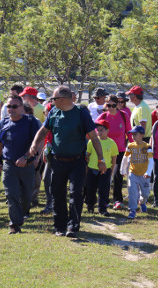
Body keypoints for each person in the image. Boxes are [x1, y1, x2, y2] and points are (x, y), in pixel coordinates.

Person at [29, 85, 106, 238]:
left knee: (75, 193)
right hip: (58, 161)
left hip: (77, 161)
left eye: (54, 99)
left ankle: (73, 227)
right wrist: (34, 144)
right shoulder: (53, 112)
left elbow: (94, 137)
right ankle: (59, 226)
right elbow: (43, 131)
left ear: (62, 99)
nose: (52, 101)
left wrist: (101, 158)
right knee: (57, 193)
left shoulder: (81, 114)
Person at [0, 96, 40, 234]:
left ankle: (23, 212)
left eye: (14, 106)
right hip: (9, 165)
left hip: (27, 166)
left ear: (21, 108)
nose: (11, 109)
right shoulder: (3, 123)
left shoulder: (31, 122)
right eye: (8, 106)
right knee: (11, 194)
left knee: (26, 197)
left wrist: (26, 157)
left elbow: (36, 143)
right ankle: (15, 224)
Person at [97, 95, 133, 207]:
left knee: (118, 174)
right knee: (106, 174)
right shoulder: (103, 116)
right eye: (108, 105)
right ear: (106, 105)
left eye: (113, 105)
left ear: (118, 105)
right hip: (106, 150)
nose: (111, 107)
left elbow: (129, 132)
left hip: (120, 150)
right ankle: (104, 199)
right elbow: (94, 130)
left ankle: (118, 200)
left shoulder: (123, 115)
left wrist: (132, 146)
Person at [84, 119, 119, 215]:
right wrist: (86, 168)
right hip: (92, 169)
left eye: (101, 130)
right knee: (91, 189)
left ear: (107, 131)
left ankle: (102, 208)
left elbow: (114, 158)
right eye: (97, 130)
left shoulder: (111, 143)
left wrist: (111, 170)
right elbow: (88, 155)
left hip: (105, 170)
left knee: (103, 191)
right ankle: (90, 206)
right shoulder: (91, 142)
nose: (99, 132)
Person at [120, 125, 154, 219]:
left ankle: (142, 202)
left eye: (136, 134)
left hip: (144, 175)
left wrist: (148, 172)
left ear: (142, 135)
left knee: (146, 193)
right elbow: (125, 158)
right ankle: (132, 210)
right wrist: (123, 170)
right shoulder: (130, 146)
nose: (133, 136)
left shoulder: (147, 147)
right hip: (133, 173)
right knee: (132, 192)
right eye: (132, 135)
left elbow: (151, 161)